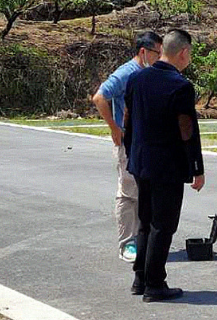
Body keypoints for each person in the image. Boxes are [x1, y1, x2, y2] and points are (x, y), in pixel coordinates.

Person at [124, 28, 205, 303]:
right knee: (164, 225)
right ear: (182, 52)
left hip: (141, 162)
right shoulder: (180, 85)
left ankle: (140, 278)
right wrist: (196, 167)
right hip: (167, 166)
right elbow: (187, 131)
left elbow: (128, 123)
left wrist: (130, 155)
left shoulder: (137, 79)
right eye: (190, 53)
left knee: (145, 222)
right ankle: (155, 284)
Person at [92, 31, 163, 262]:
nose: (159, 57)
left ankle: (141, 238)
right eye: (156, 53)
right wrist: (114, 127)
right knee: (128, 193)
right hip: (127, 143)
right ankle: (127, 243)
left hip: (144, 143)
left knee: (144, 192)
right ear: (143, 51)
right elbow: (99, 97)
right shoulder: (127, 72)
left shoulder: (150, 73)